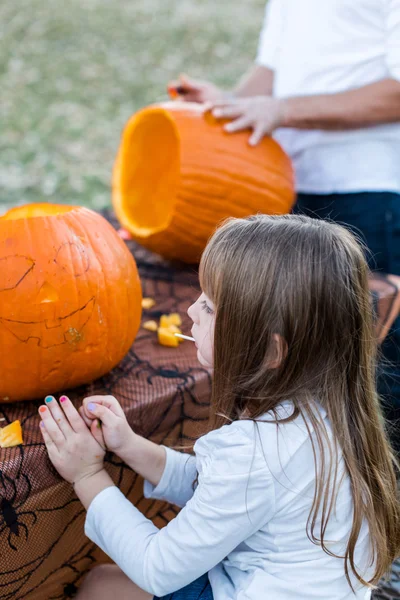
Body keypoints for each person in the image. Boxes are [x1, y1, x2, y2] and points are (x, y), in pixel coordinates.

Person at [39, 215, 399, 600]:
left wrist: (87, 475)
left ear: (271, 351)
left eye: (209, 307)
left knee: (99, 587)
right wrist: (129, 445)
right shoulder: (325, 407)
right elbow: (211, 480)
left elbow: (156, 568)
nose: (192, 310)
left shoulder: (254, 451)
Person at [168, 0, 400, 454]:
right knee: (298, 365)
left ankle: (378, 503)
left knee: (372, 377)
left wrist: (283, 110)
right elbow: (273, 69)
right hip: (287, 184)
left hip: (367, 189)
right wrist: (228, 106)